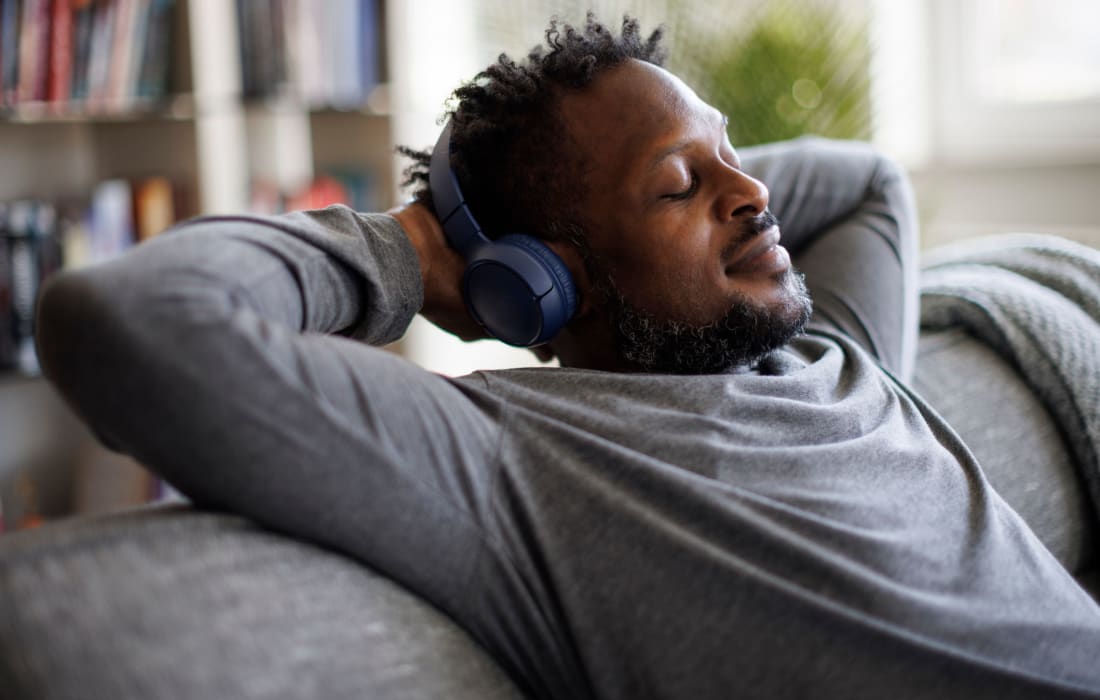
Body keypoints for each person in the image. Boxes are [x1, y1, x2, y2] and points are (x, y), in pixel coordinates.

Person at [34, 14, 1100, 700]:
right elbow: (126, 318)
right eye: (680, 187)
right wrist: (402, 251)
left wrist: (687, 171)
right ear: (546, 280)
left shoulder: (833, 351)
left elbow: (862, 180)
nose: (753, 193)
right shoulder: (511, 466)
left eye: (729, 153)